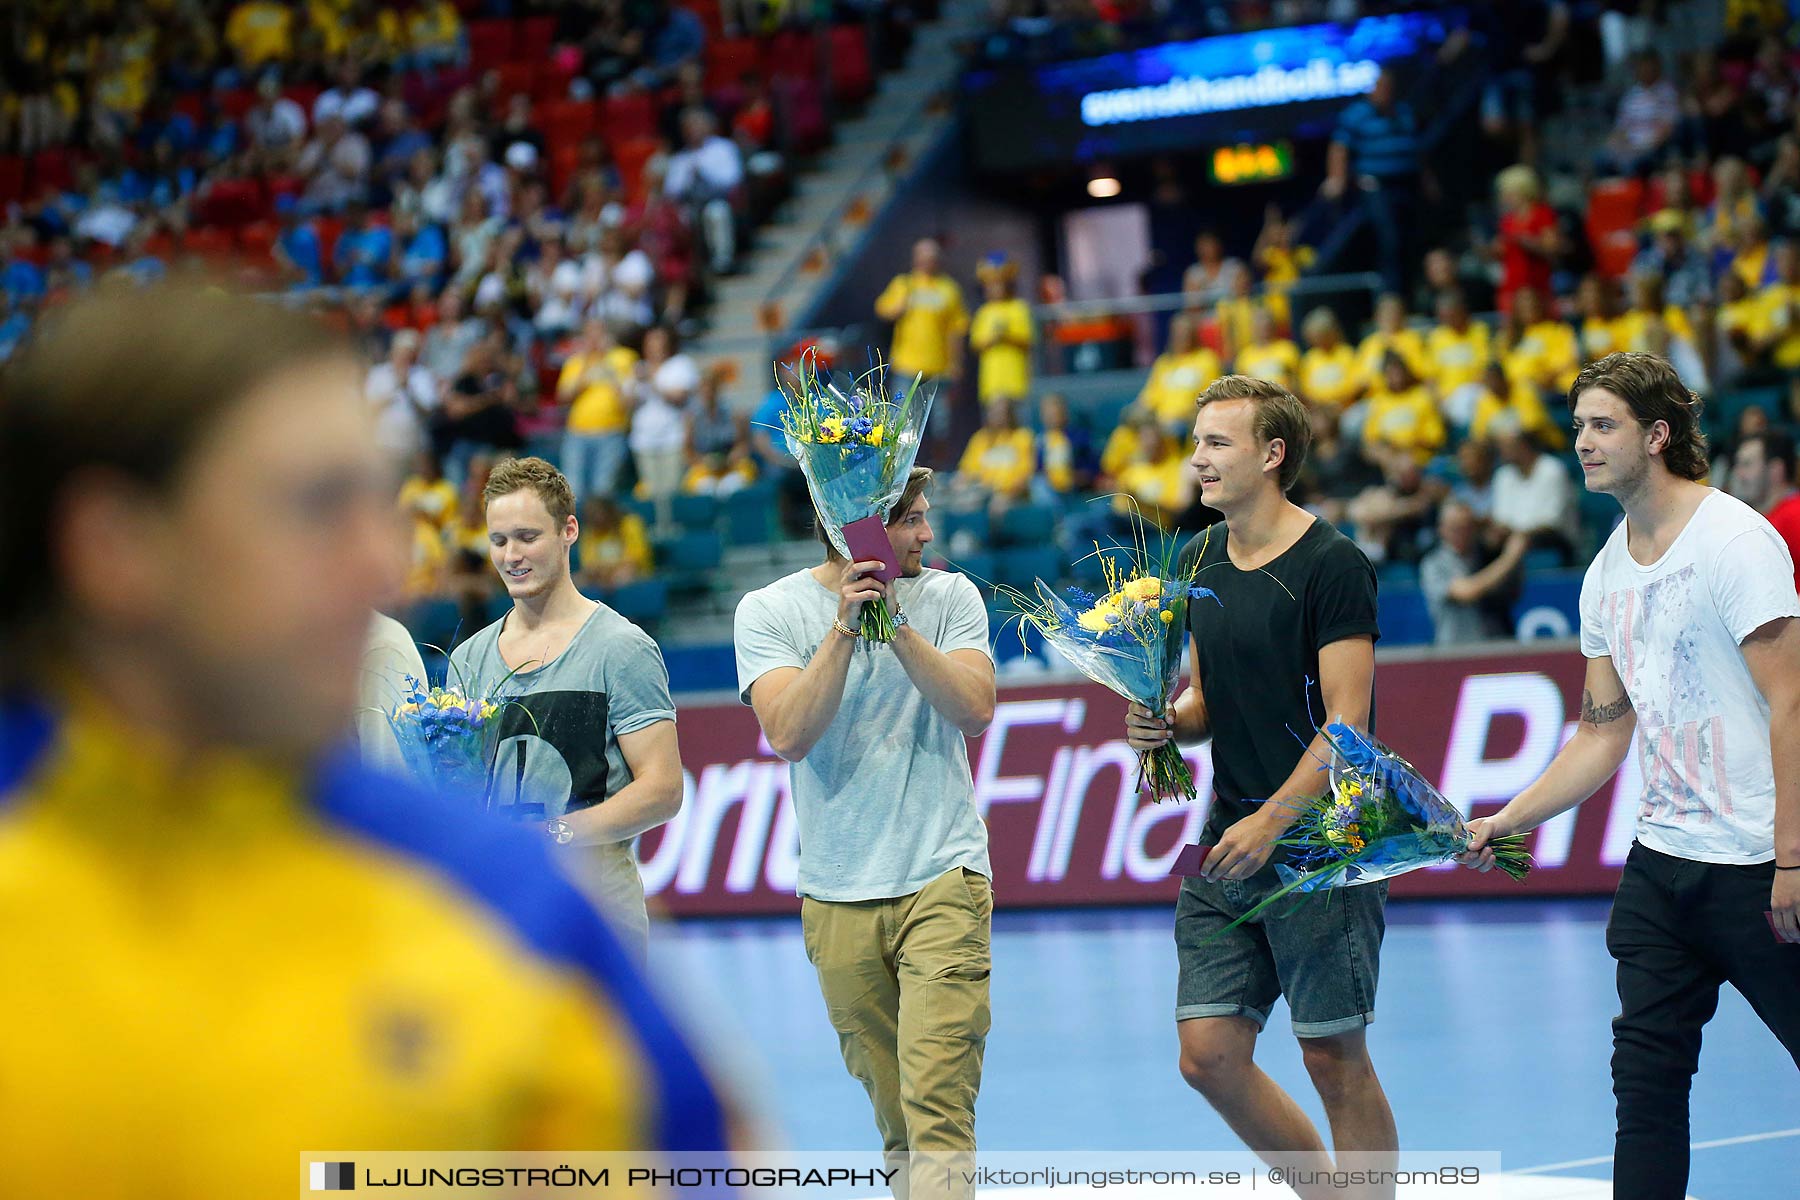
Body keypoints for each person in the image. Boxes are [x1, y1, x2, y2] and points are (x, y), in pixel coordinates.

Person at [0, 287, 728, 1196]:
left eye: (374, 503)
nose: (385, 564)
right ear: (114, 545)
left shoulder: (500, 903)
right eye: (314, 507)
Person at [1464, 352, 1800, 1200]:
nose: (1583, 441)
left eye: (1602, 424)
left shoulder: (1735, 540)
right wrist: (1508, 819)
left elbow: (1793, 703)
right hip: (1660, 870)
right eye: (1577, 425)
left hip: (1761, 866)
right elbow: (1602, 734)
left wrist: (1793, 859)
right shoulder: (1604, 571)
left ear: (1657, 436)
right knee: (1644, 1092)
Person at [1124, 375, 1391, 1195]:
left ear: (1272, 455)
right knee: (1208, 1057)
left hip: (1321, 841)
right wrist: (1172, 722)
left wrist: (1276, 820)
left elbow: (1347, 727)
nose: (1196, 459)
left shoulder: (1333, 564)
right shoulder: (1200, 557)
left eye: (1216, 443)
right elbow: (1207, 699)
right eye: (1197, 441)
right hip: (1228, 836)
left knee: (1332, 1055)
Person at [733, 468, 994, 1197]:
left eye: (922, 517)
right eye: (910, 520)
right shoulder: (769, 610)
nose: (926, 534)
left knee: (938, 1107)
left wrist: (895, 620)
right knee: (898, 1123)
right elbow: (788, 734)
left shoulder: (949, 597)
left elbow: (974, 710)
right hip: (836, 890)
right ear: (860, 531)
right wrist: (848, 624)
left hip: (943, 877)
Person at [449, 457, 685, 956]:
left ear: (568, 531)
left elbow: (663, 789)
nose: (511, 555)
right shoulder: (469, 658)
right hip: (499, 921)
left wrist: (551, 835)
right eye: (498, 541)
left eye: (527, 537)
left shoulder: (621, 647)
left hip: (597, 921)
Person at [1729, 429, 1800, 588]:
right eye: (1737, 464)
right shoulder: (1755, 518)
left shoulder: (1795, 514)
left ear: (1775, 469)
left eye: (1747, 464)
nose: (1738, 473)